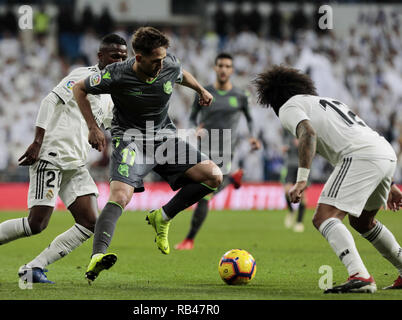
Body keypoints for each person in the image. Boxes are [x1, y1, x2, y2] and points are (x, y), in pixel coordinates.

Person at [0, 34, 128, 284]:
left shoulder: (111, 93)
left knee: (91, 222)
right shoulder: (82, 75)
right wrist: (38, 141)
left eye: (124, 57)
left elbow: (112, 124)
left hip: (76, 162)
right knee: (36, 223)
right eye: (115, 55)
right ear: (100, 56)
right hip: (52, 154)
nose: (120, 60)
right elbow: (50, 100)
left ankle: (34, 268)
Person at [72, 26, 222, 283]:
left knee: (213, 176)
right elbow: (78, 89)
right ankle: (97, 256)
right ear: (138, 58)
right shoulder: (115, 74)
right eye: (155, 61)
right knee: (120, 195)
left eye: (163, 59)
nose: (161, 65)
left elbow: (179, 73)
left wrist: (200, 90)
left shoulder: (167, 64)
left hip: (164, 137)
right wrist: (92, 127)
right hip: (130, 140)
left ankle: (162, 217)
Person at [254, 65, 402, 293]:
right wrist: (389, 183)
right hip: (383, 152)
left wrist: (302, 179)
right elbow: (356, 136)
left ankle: (360, 276)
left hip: (361, 156)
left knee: (324, 216)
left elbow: (308, 133)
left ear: (272, 98)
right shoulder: (328, 102)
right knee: (363, 222)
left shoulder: (288, 107)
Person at [175, 53, 261, 250]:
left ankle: (189, 239)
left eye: (227, 66)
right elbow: (192, 117)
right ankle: (232, 178)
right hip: (204, 147)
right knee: (198, 185)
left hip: (226, 150)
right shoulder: (205, 92)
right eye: (220, 65)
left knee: (206, 194)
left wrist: (253, 136)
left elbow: (250, 119)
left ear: (231, 70)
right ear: (215, 68)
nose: (223, 69)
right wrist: (194, 129)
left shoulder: (240, 96)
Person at [281, 130, 306, 232]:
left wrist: (301, 144)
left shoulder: (306, 130)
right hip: (290, 165)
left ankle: (299, 222)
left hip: (303, 166)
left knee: (303, 195)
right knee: (286, 190)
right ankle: (291, 211)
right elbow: (284, 143)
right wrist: (285, 147)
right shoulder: (288, 130)